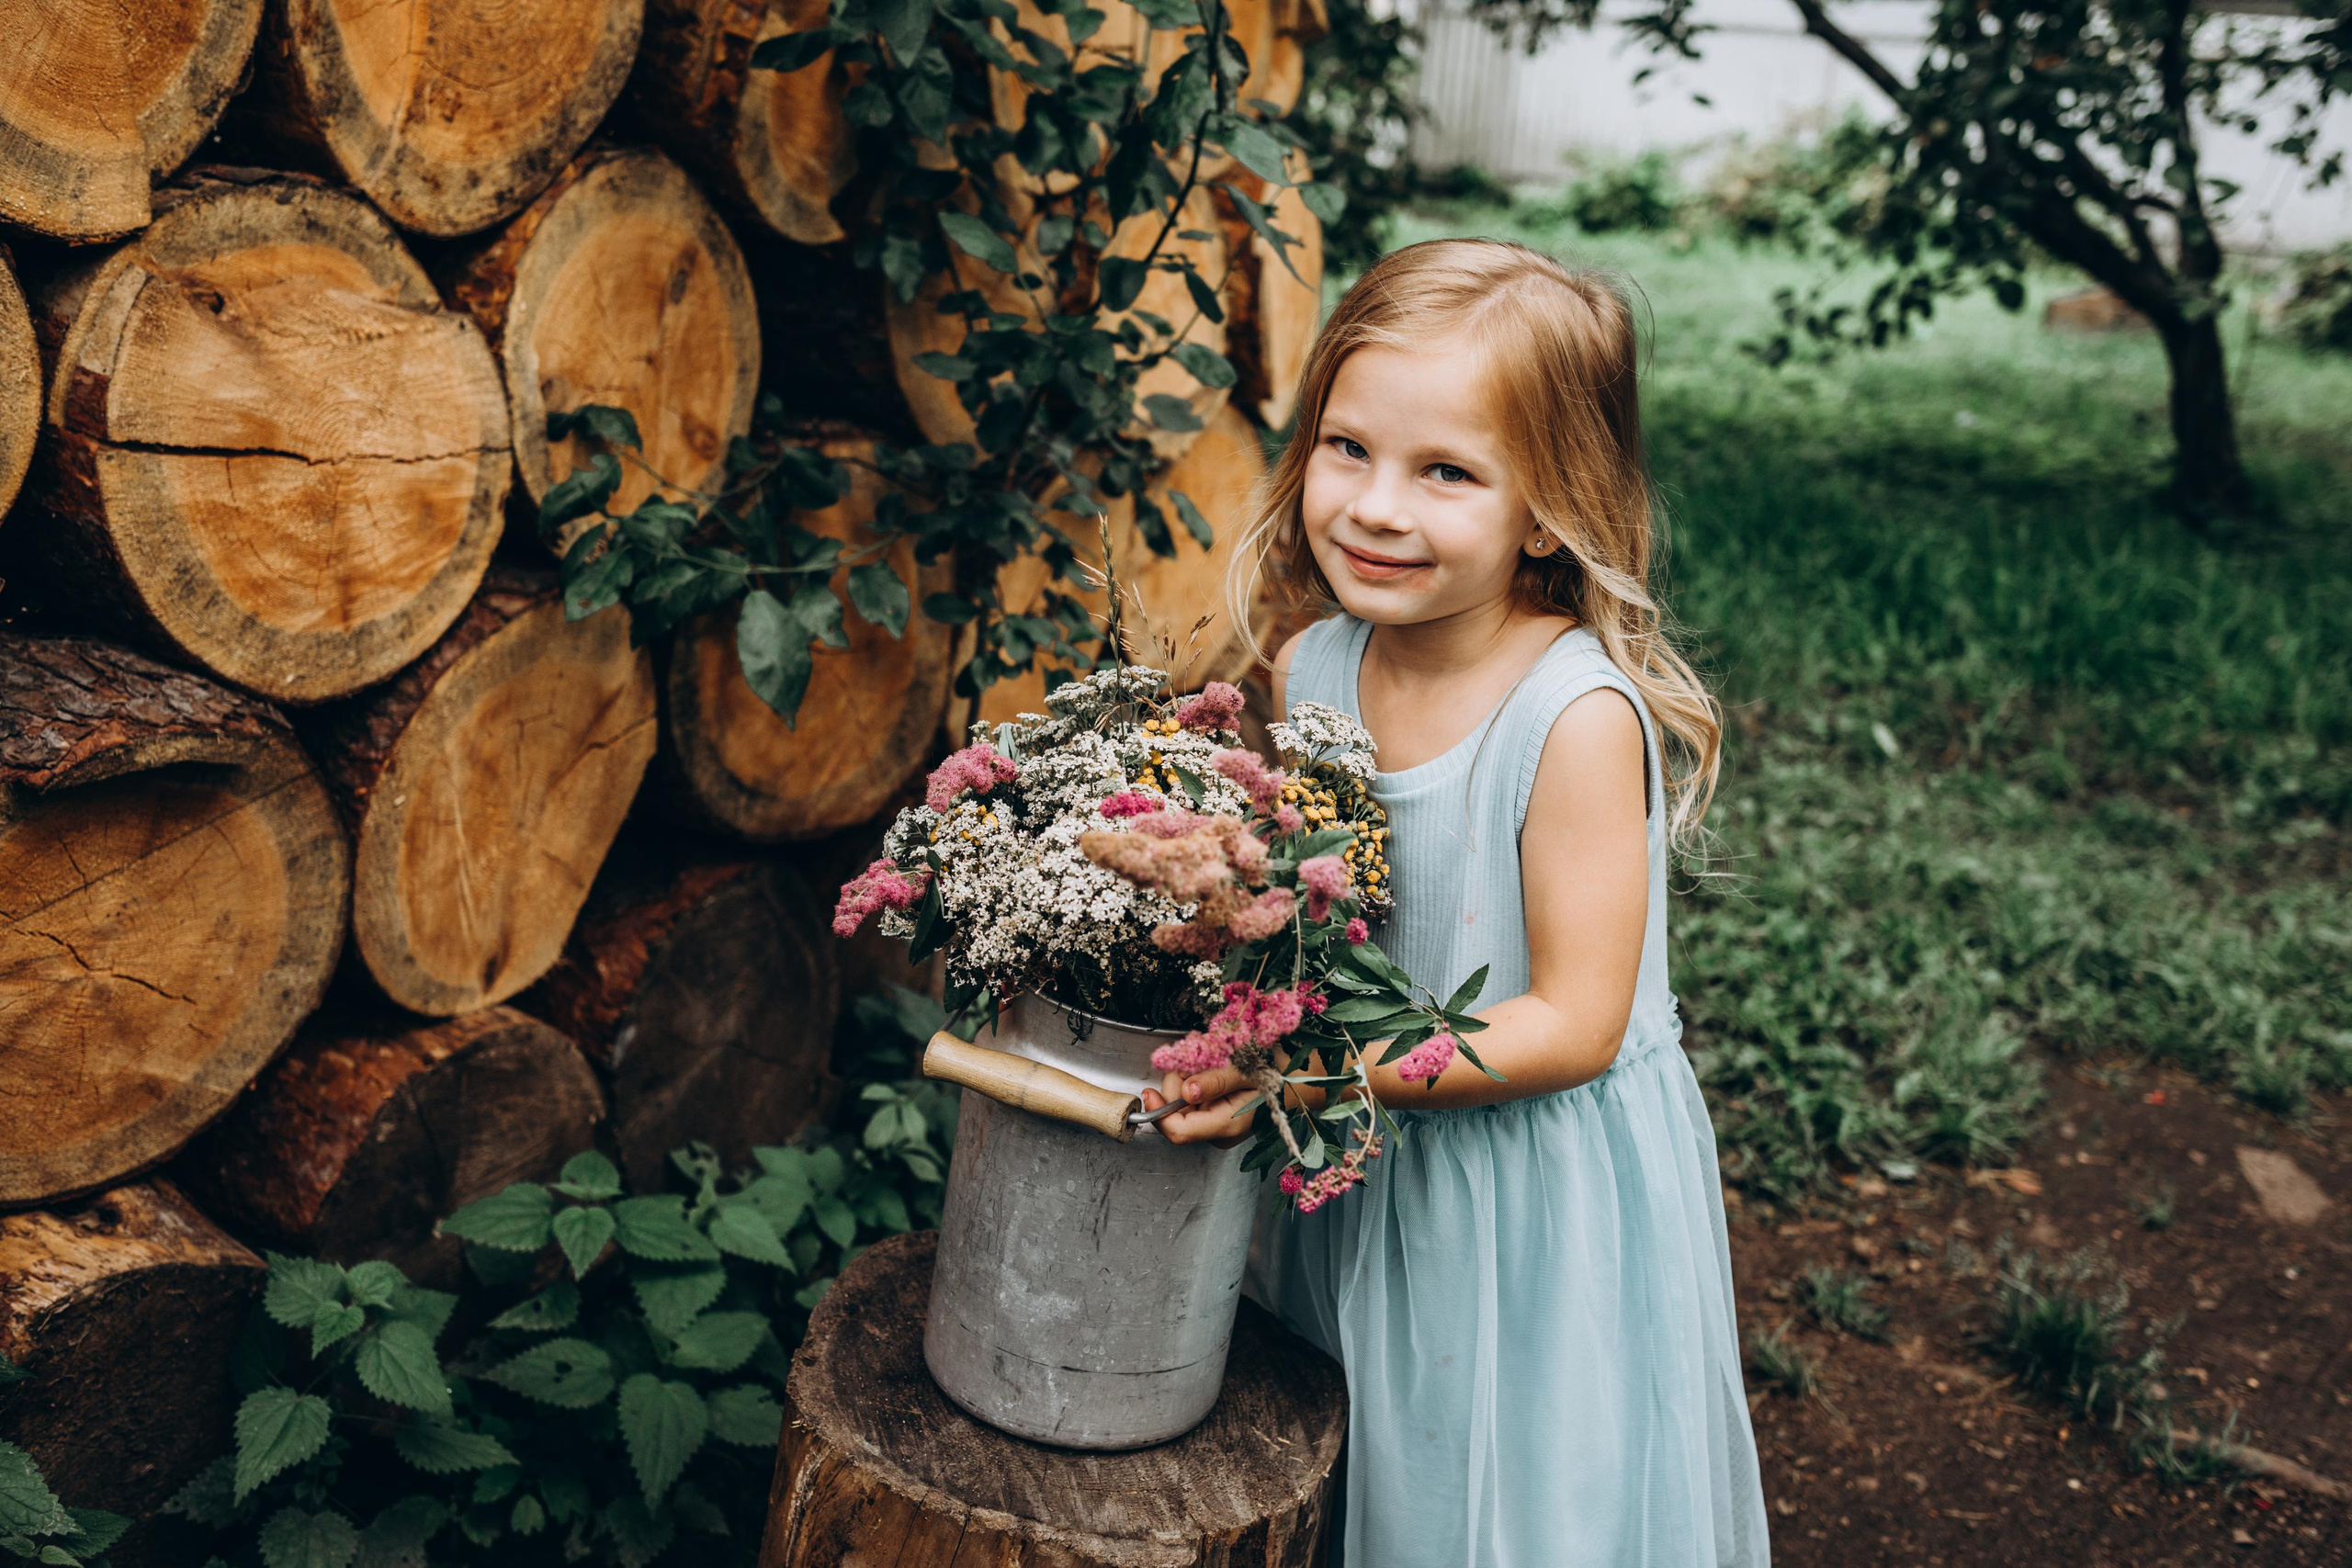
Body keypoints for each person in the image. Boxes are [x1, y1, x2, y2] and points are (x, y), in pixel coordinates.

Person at [1138, 238, 1773, 1566]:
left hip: (1528, 1195)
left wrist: (1309, 1070)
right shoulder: (1315, 662)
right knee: (1370, 1464)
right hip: (1361, 1155)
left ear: (1548, 511)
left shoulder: (1573, 717)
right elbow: (1324, 909)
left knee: (1515, 1499)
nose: (1375, 507)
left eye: (1447, 473)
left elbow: (1575, 1025)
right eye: (1348, 447)